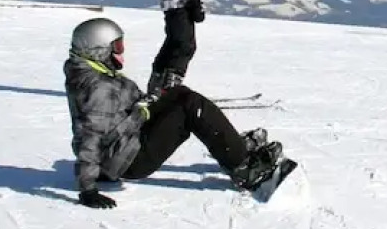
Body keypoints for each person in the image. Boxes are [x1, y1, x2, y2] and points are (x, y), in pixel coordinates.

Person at [65, 17, 284, 208]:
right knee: (191, 107)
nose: (121, 52)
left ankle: (233, 145)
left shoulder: (93, 74)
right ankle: (244, 168)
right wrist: (87, 189)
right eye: (117, 47)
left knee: (180, 94)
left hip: (122, 145)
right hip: (130, 159)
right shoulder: (98, 87)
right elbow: (90, 136)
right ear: (98, 50)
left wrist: (152, 101)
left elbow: (116, 114)